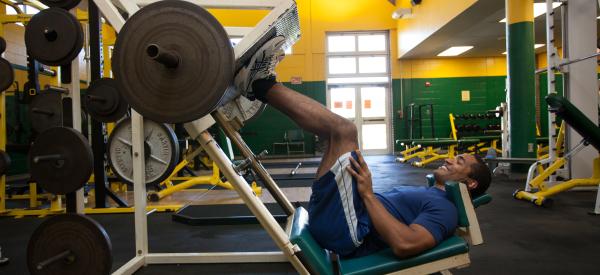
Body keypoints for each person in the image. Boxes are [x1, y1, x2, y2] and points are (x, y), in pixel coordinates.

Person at [234, 36, 492, 259]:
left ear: (470, 183)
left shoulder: (445, 209)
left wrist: (367, 193)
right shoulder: (433, 193)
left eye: (459, 162)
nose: (449, 160)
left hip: (350, 233)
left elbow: (405, 244)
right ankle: (259, 85)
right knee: (335, 134)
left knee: (345, 131)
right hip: (349, 218)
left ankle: (259, 84)